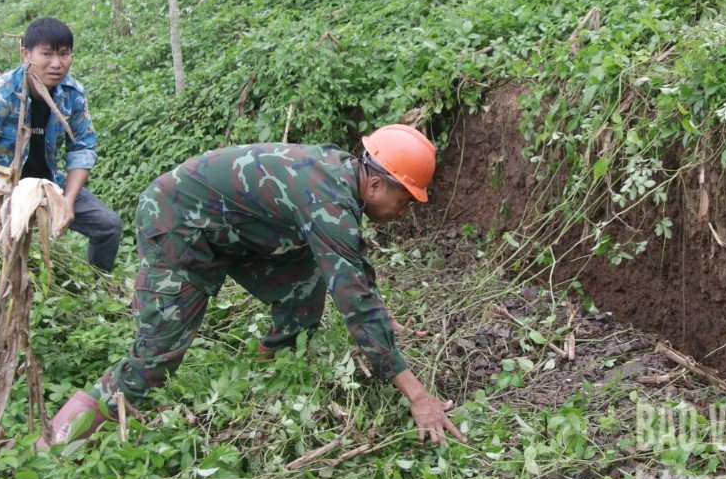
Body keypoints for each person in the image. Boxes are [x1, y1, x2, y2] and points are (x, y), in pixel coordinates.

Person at [42, 124, 466, 447]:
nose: (403, 211)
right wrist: (417, 395)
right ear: (374, 184)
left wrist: (382, 319)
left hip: (236, 230)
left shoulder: (339, 175)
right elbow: (353, 299)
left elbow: (350, 263)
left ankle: (263, 381)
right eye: (404, 200)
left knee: (303, 292)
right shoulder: (328, 199)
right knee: (155, 360)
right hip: (178, 222)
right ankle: (55, 445)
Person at [0, 17, 123, 271]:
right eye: (47, 54)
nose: (56, 63)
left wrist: (68, 200)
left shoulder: (71, 93)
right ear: (26, 54)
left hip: (49, 184)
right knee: (7, 269)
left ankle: (98, 284)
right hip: (2, 192)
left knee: (108, 226)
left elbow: (82, 148)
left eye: (64, 54)